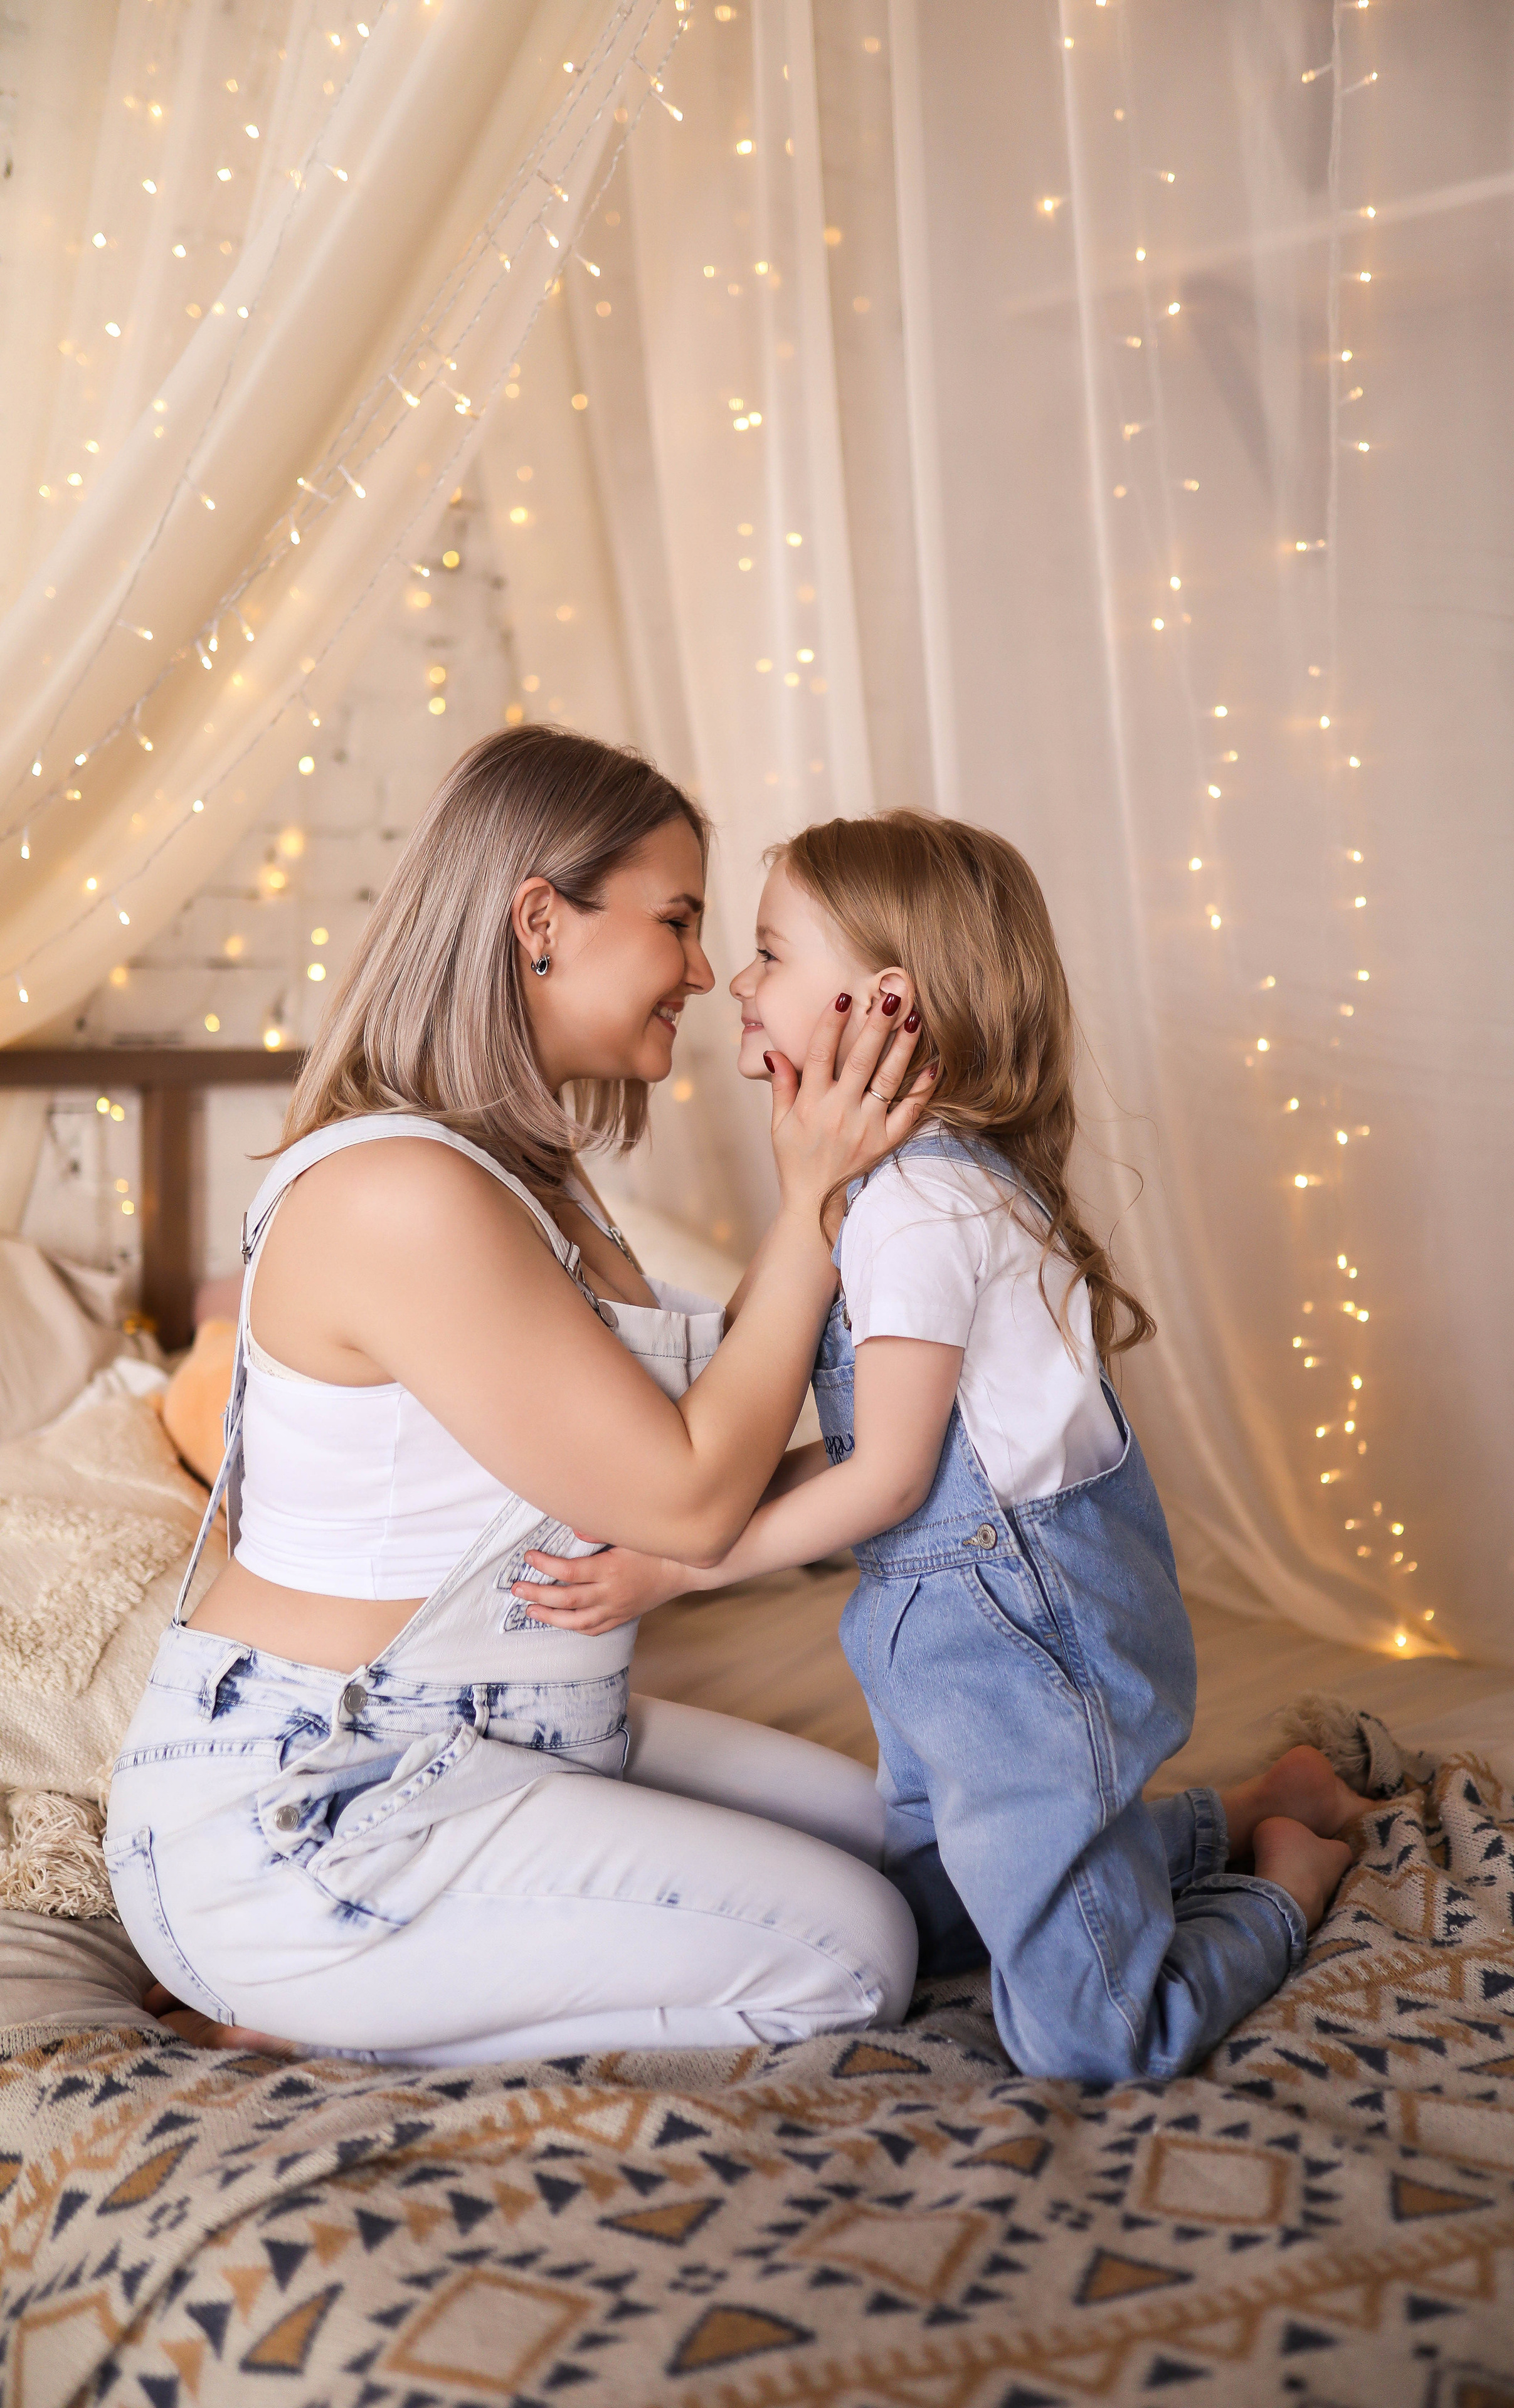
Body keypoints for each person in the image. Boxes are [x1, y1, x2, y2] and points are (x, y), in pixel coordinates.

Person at [105, 729, 934, 2065]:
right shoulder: (402, 1196)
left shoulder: (532, 1181)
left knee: (905, 1836)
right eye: (675, 921)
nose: (708, 971)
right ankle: (292, 2015)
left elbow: (701, 1458)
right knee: (855, 1952)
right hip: (325, 1798)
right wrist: (812, 1203)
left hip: (527, 1726)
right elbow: (687, 1498)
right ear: (539, 920)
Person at [512, 810, 1368, 2085]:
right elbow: (850, 1454)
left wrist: (676, 1569)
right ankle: (1231, 1812)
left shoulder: (918, 1205)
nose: (731, 981)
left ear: (881, 1002)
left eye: (763, 952)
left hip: (1022, 1648)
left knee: (1083, 2038)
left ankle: (1286, 1877)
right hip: (940, 1647)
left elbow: (888, 1478)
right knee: (922, 1915)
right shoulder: (892, 1188)